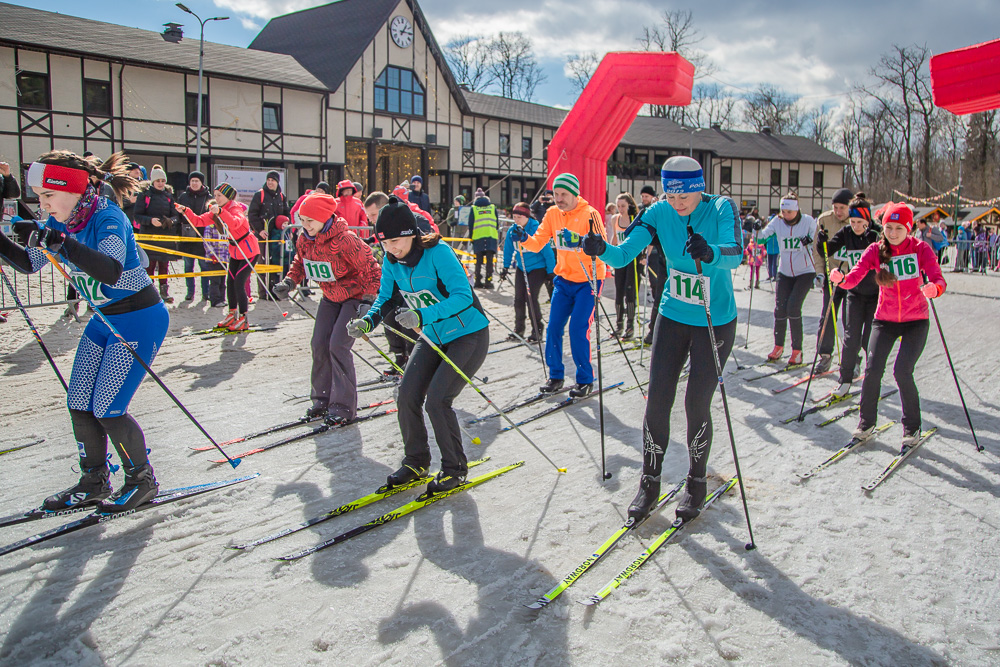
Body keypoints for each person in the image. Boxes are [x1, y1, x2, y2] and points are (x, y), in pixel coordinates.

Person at [0, 150, 168, 513]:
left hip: (138, 318)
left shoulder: (107, 217)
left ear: (72, 189)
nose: (42, 205)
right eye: (39, 198)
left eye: (48, 196)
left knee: (108, 408)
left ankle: (142, 480)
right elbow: (30, 263)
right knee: (79, 404)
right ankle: (93, 481)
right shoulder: (64, 220)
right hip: (104, 318)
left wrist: (53, 241)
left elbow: (108, 269)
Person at [581, 155, 742, 522]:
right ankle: (649, 482)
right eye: (671, 194)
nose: (678, 201)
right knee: (657, 401)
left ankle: (696, 483)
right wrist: (599, 248)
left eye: (685, 194)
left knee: (695, 403)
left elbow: (736, 254)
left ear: (700, 187)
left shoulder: (720, 207)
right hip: (672, 316)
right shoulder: (656, 213)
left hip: (713, 320)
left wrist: (711, 252)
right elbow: (622, 256)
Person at [346, 196, 490, 493]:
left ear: (412, 234)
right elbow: (385, 299)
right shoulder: (390, 260)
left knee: (438, 400)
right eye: (385, 244)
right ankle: (416, 461)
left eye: (396, 241)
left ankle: (454, 469)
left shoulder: (439, 253)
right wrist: (367, 322)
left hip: (468, 335)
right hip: (434, 335)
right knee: (407, 394)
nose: (391, 249)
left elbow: (463, 296)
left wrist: (422, 314)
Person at [830, 202, 946, 447]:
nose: (893, 233)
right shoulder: (875, 250)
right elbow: (854, 277)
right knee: (872, 370)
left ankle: (912, 428)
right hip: (885, 320)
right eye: (888, 228)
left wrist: (933, 289)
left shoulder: (920, 249)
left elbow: (938, 279)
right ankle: (866, 423)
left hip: (916, 321)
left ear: (909, 228)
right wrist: (841, 280)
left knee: (902, 372)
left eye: (898, 228)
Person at [272, 193, 380, 424]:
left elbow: (371, 268)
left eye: (310, 220)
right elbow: (300, 263)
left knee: (338, 346)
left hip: (354, 296)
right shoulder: (305, 238)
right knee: (319, 344)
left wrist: (368, 300)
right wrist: (289, 282)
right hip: (330, 297)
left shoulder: (345, 240)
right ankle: (321, 400)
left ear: (323, 218)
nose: (305, 225)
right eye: (302, 220)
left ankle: (342, 408)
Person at [512, 173, 608, 397]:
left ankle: (585, 379)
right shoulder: (553, 213)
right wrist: (523, 237)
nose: (559, 198)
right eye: (556, 193)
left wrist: (582, 243)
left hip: (588, 280)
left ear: (575, 193)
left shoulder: (590, 214)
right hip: (564, 280)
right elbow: (537, 243)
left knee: (578, 328)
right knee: (554, 327)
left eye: (564, 194)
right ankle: (555, 376)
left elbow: (602, 250)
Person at [176, 183, 260, 331]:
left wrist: (220, 211)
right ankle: (232, 313)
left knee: (239, 283)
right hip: (235, 251)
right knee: (230, 281)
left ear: (227, 196)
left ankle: (244, 317)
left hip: (249, 250)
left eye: (219, 195)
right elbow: (198, 221)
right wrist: (185, 211)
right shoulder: (217, 210)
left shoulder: (235, 208)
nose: (216, 198)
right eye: (215, 195)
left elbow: (235, 223)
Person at [820, 195, 879, 398]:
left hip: (875, 294)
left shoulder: (876, 235)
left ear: (867, 222)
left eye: (859, 223)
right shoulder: (846, 232)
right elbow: (826, 250)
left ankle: (871, 379)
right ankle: (844, 380)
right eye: (852, 222)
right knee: (850, 337)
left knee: (868, 340)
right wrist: (822, 242)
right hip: (854, 292)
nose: (855, 226)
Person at [755, 193, 818, 365]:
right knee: (780, 309)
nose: (786, 215)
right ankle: (778, 346)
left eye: (790, 212)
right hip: (785, 272)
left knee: (793, 307)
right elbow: (761, 238)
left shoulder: (808, 221)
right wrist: (757, 228)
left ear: (796, 210)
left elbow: (817, 240)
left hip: (805, 272)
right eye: (784, 211)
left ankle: (797, 351)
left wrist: (810, 240)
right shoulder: (777, 221)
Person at [500, 201, 556, 342]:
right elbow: (508, 249)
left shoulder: (536, 229)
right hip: (522, 267)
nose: (517, 219)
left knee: (530, 298)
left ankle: (537, 330)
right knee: (519, 299)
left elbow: (547, 252)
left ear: (527, 216)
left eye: (520, 217)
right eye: (515, 216)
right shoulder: (513, 230)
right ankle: (519, 330)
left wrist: (551, 272)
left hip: (538, 268)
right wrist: (505, 267)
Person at [812, 188, 853, 373]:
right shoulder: (824, 220)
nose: (838, 212)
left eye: (842, 208)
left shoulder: (859, 221)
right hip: (832, 275)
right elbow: (817, 250)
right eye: (835, 207)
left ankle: (852, 358)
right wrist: (820, 272)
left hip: (853, 277)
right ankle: (825, 354)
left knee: (851, 319)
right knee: (828, 316)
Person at [133, 165, 179, 304]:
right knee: (149, 266)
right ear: (153, 181)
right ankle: (150, 292)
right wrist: (150, 221)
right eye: (158, 180)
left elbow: (176, 216)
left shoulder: (169, 196)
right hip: (149, 237)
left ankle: (164, 291)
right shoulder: (144, 195)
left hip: (165, 236)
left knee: (164, 266)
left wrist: (170, 221)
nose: (160, 183)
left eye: (163, 181)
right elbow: (137, 216)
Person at [247, 170, 289, 299]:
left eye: (273, 180)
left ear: (277, 182)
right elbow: (252, 215)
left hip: (277, 236)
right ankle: (263, 292)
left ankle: (277, 291)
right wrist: (259, 230)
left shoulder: (281, 196)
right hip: (263, 236)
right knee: (263, 263)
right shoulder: (259, 195)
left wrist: (287, 228)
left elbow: (287, 214)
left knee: (278, 262)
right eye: (268, 180)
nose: (270, 182)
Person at [609, 193, 643, 339]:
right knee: (618, 292)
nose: (620, 209)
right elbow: (615, 238)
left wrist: (644, 257)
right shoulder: (614, 219)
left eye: (623, 206)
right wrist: (609, 256)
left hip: (633, 259)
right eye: (618, 206)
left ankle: (630, 326)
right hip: (619, 258)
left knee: (630, 292)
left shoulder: (634, 219)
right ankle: (619, 324)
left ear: (629, 205)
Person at [176, 170, 213, 302]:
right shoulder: (183, 197)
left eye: (197, 181)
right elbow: (178, 216)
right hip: (187, 237)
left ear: (202, 182)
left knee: (204, 266)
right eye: (192, 181)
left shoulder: (209, 197)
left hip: (203, 237)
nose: (194, 183)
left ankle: (206, 293)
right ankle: (190, 292)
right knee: (188, 266)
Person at [638, 184, 665, 345]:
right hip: (661, 264)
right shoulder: (654, 218)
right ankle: (653, 331)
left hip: (680, 268)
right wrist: (644, 255)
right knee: (658, 296)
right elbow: (648, 239)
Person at [469, 191, 499, 289]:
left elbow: (471, 224)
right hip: (491, 236)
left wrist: (471, 237)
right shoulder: (492, 208)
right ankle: (488, 281)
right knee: (490, 261)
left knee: (478, 260)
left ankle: (478, 281)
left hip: (478, 237)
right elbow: (497, 223)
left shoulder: (474, 208)